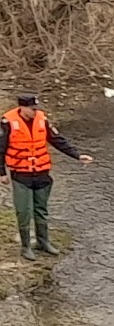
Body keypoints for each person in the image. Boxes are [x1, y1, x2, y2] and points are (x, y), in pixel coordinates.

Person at [1, 94, 92, 260]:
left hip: (42, 174)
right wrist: (2, 173)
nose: (36, 112)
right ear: (22, 107)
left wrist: (77, 156)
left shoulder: (42, 120)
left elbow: (58, 140)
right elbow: (0, 149)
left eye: (36, 108)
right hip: (21, 175)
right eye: (32, 109)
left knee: (41, 210)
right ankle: (26, 246)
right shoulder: (7, 123)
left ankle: (43, 242)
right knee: (24, 212)